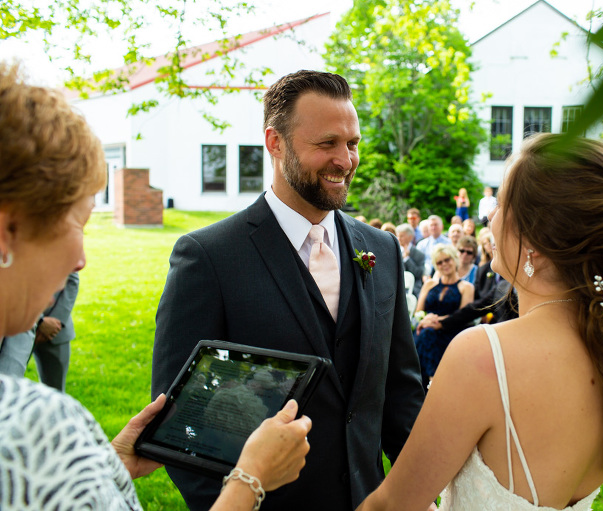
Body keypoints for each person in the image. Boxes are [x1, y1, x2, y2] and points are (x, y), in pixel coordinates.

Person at [0, 62, 311, 511]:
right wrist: (250, 479)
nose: (80, 259)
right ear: (8, 230)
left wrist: (108, 466)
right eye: (77, 224)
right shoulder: (35, 425)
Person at [152, 70, 424, 511]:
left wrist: (418, 490)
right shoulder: (209, 257)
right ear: (275, 143)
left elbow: (400, 394)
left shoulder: (382, 250)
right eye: (327, 144)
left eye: (352, 143)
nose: (346, 159)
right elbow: (181, 422)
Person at [357, 134, 603, 511]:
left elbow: (390, 507)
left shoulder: (484, 356)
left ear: (534, 239)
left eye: (501, 203)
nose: (489, 216)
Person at [413, 244, 474, 390]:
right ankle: (430, 382)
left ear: (455, 259)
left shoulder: (466, 287)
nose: (444, 264)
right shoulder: (429, 285)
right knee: (425, 334)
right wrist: (425, 319)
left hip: (450, 330)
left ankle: (428, 382)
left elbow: (463, 315)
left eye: (447, 260)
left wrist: (438, 320)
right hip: (426, 327)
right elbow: (418, 312)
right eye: (439, 262)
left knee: (427, 335)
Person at [31, 271, 79, 391]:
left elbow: (72, 280)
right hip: (14, 330)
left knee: (55, 393)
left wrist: (56, 321)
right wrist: (39, 321)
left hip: (55, 331)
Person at [396, 223, 425, 298]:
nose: (399, 238)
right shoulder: (394, 252)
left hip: (413, 290)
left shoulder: (419, 254)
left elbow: (418, 274)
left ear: (410, 237)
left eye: (401, 236)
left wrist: (407, 259)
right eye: (398, 236)